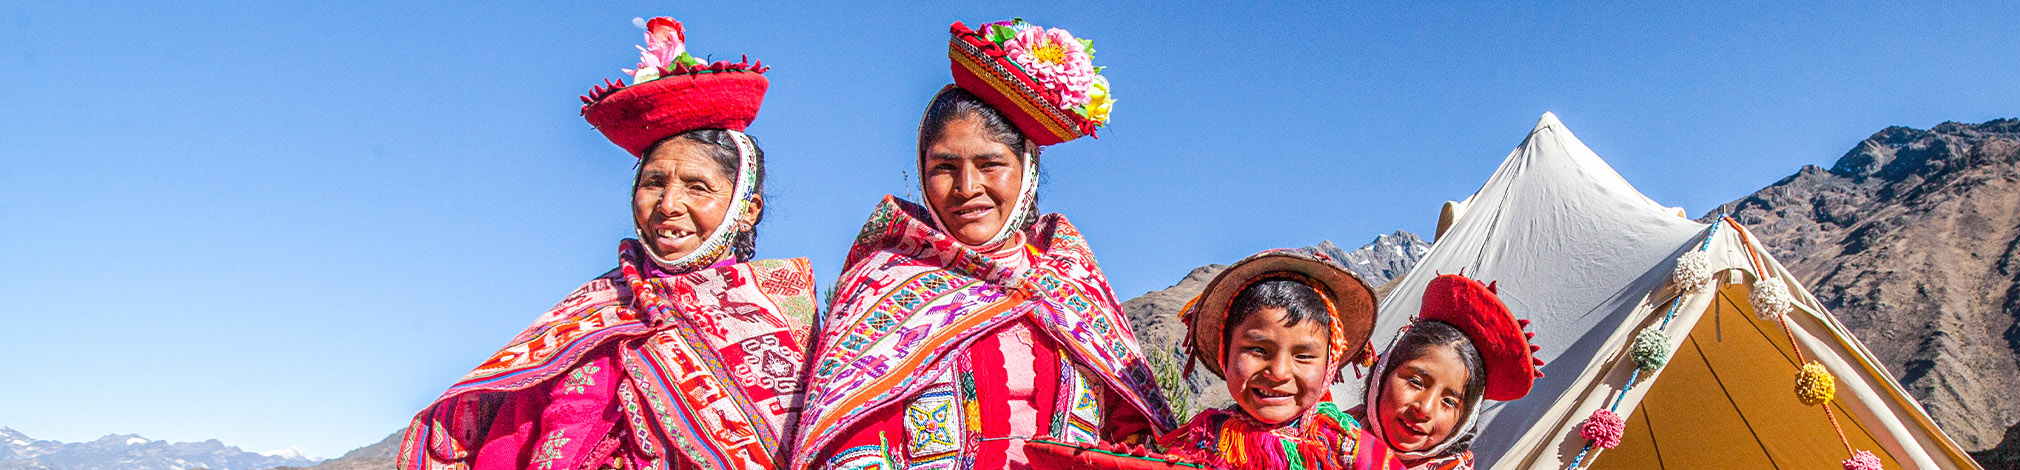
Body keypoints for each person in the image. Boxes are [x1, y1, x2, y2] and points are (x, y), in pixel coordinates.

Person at [397, 17, 816, 470]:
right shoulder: (585, 318)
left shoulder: (787, 317)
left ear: (745, 209)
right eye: (654, 183)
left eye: (698, 187)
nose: (668, 204)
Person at [789, 18, 1168, 470]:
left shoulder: (1070, 281)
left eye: (990, 164)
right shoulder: (881, 285)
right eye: (944, 167)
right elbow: (852, 435)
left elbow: (1130, 430)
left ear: (1026, 169)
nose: (967, 187)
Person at [1155, 250, 1397, 470]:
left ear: (1328, 365)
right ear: (1225, 352)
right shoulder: (1205, 438)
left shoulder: (1346, 445)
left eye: (1303, 356)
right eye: (1258, 350)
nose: (1279, 373)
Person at [1352, 275, 1544, 470]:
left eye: (1450, 402)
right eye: (1416, 382)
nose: (1425, 409)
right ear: (1383, 373)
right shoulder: (1327, 434)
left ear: (1464, 420)